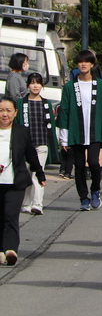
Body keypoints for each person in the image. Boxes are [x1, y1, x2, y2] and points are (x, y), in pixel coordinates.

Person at [57, 50, 102, 211]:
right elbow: (65, 110)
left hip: (95, 131)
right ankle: (83, 197)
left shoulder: (101, 86)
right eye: (80, 62)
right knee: (79, 166)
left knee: (95, 164)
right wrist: (64, 135)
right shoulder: (70, 87)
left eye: (86, 61)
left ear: (92, 64)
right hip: (76, 131)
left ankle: (95, 190)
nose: (83, 64)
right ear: (77, 64)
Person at [0, 95, 45, 267]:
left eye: (8, 110)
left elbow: (31, 154)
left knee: (10, 215)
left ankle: (11, 250)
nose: (5, 114)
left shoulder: (21, 131)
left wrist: (40, 174)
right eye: (1, 110)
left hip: (15, 181)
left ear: (15, 112)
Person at [16, 72, 57, 215]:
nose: (35, 86)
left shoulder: (46, 104)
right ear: (28, 85)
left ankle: (37, 203)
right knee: (26, 175)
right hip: (25, 147)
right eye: (32, 83)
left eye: (38, 83)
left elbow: (50, 125)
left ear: (42, 85)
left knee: (37, 174)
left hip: (41, 144)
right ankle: (26, 203)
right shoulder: (21, 103)